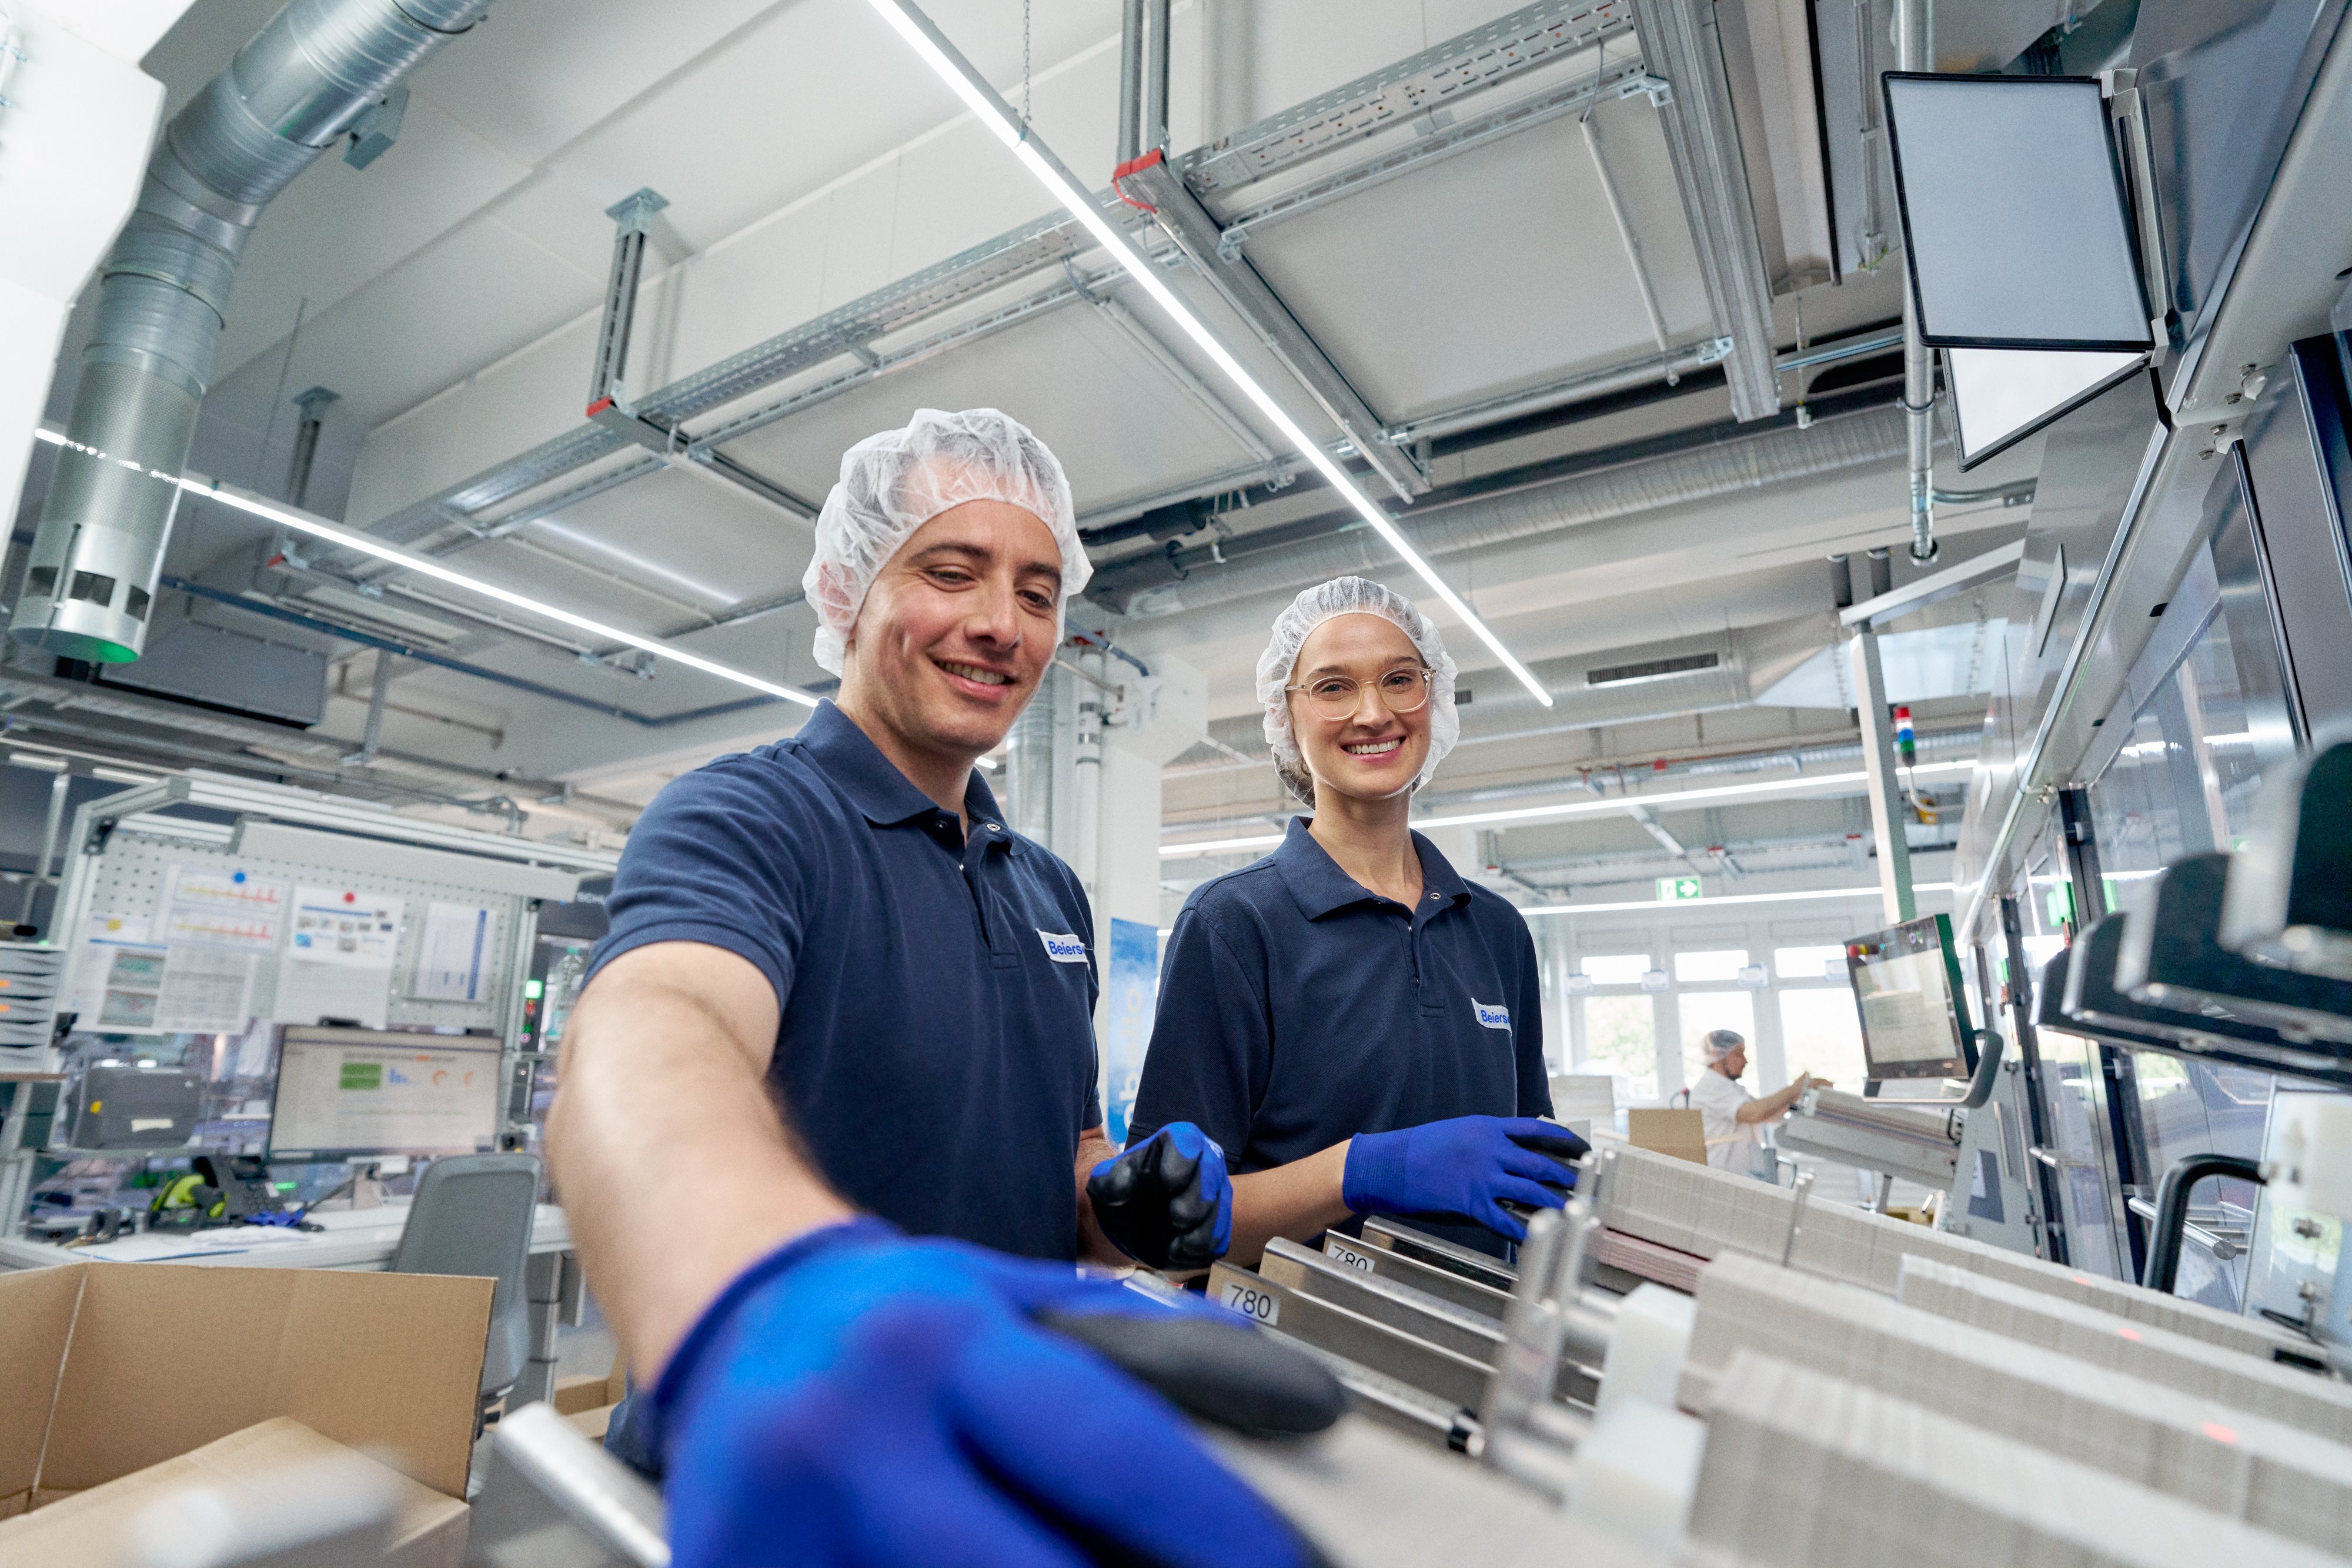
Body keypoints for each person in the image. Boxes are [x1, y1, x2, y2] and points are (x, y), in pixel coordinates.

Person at [547, 409, 1280, 1568]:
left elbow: (1068, 1150)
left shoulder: (1048, 889)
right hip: (769, 1485)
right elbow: (651, 1029)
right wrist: (762, 1286)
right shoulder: (747, 818)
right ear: (848, 590)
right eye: (950, 571)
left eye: (1037, 592)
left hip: (983, 1458)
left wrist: (1121, 1198)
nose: (1000, 624)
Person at [1125, 577, 1583, 1266]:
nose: (1373, 713)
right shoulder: (1233, 924)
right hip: (1293, 1332)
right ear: (1286, 715)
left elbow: (1523, 1161)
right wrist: (1364, 1172)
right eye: (1333, 687)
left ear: (1434, 696)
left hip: (1476, 1325)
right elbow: (1166, 1228)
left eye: (1399, 680)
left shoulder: (1496, 930)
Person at [1688, 1028, 1814, 1174]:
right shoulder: (1709, 1088)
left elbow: (1769, 1114)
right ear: (1717, 1055)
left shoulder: (1732, 1089)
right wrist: (1794, 1089)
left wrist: (1800, 1092)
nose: (1745, 1061)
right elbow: (1754, 1114)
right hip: (1723, 1174)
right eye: (1739, 1054)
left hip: (1742, 1174)